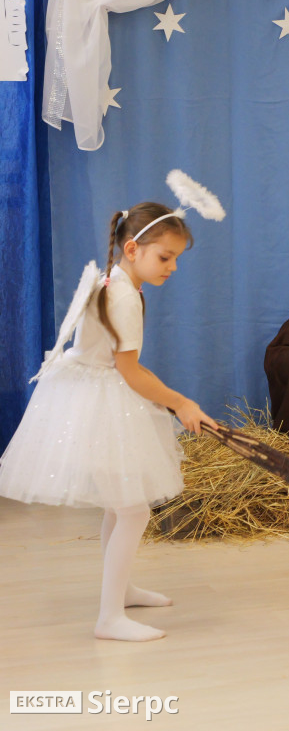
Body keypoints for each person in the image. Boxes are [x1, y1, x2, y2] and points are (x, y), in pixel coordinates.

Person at [0, 203, 217, 641]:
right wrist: (180, 403)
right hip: (98, 400)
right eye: (165, 256)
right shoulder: (123, 296)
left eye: (176, 258)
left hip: (88, 391)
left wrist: (174, 401)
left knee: (121, 504)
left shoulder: (112, 280)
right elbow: (130, 371)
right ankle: (108, 618)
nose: (172, 267)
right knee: (133, 509)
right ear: (133, 248)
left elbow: (126, 366)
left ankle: (121, 590)